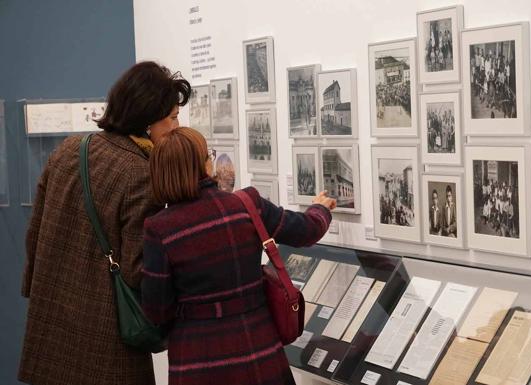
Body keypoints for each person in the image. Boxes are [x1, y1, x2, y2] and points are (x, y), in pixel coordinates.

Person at [19, 61, 191, 385]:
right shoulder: (142, 174)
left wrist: (37, 289)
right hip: (105, 343)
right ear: (147, 122)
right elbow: (137, 270)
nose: (176, 127)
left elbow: (35, 232)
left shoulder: (71, 148)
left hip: (51, 327)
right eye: (172, 117)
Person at [142, 127, 336, 385]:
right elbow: (306, 231)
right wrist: (320, 209)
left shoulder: (159, 228)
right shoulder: (246, 204)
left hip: (196, 360)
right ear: (205, 164)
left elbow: (157, 309)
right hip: (258, 348)